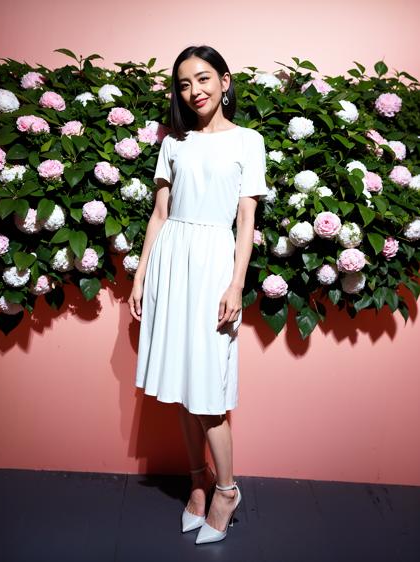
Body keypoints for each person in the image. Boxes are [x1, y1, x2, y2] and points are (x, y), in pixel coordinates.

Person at [128, 44, 268, 544]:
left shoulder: (248, 141)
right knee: (182, 392)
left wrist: (236, 284)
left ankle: (227, 490)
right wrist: (142, 275)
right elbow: (160, 215)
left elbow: (247, 220)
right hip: (172, 263)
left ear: (225, 81)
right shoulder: (174, 143)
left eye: (204, 79)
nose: (195, 91)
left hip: (213, 265)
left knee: (208, 392)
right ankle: (197, 483)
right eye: (185, 84)